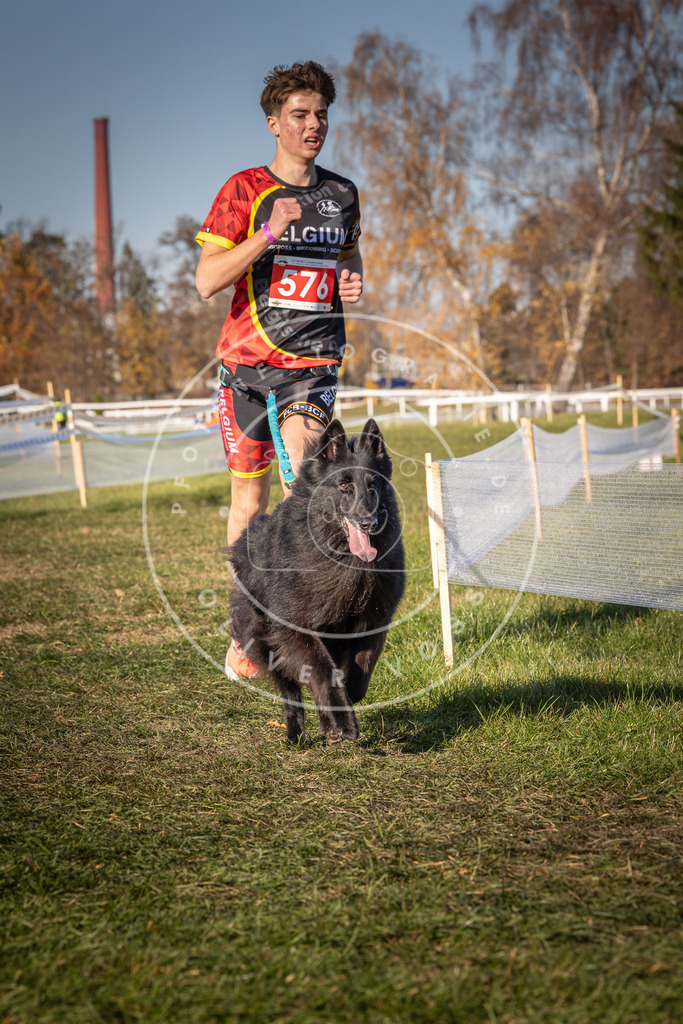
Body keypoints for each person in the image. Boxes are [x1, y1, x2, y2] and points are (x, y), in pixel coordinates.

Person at [195, 60, 363, 680]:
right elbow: (208, 280)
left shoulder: (342, 193)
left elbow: (349, 249)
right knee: (250, 500)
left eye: (321, 114)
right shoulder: (242, 190)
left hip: (312, 366)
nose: (313, 125)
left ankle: (311, 627)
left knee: (308, 488)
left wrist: (352, 278)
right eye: (300, 114)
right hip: (245, 367)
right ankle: (247, 629)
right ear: (274, 122)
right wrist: (268, 233)